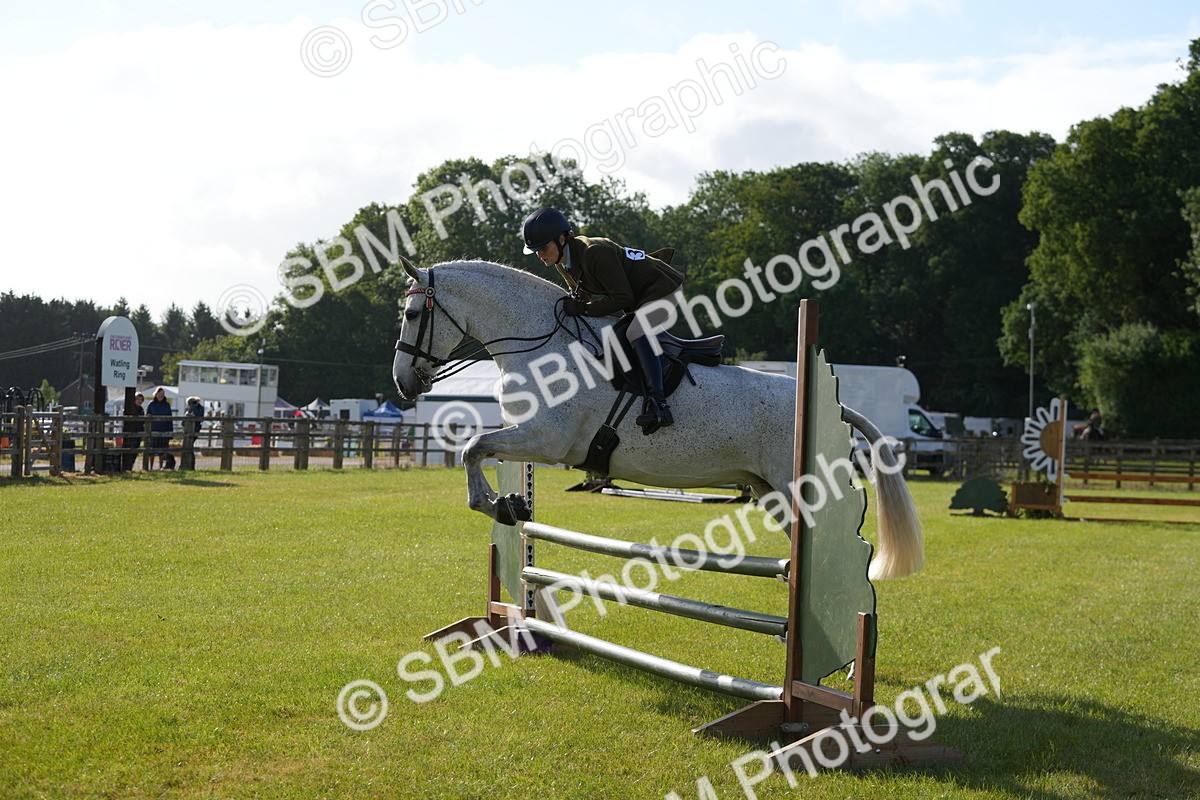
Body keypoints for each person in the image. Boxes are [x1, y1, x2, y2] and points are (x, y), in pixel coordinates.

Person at [521, 207, 683, 434]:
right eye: (536, 251)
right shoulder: (562, 261)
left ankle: (659, 404)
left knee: (635, 332)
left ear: (561, 239)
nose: (540, 255)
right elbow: (581, 294)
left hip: (662, 288)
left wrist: (584, 309)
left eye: (543, 248)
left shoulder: (595, 253)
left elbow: (622, 297)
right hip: (638, 295)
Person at [146, 387, 174, 469]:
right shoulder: (151, 404)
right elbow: (147, 417)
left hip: (164, 429)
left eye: (163, 394)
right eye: (160, 394)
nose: (161, 395)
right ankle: (150, 467)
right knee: (152, 450)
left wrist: (170, 432)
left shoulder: (167, 405)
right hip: (153, 429)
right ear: (156, 394)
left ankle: (161, 467)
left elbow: (170, 418)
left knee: (162, 450)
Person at [122, 392, 145, 471]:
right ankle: (126, 467)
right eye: (138, 399)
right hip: (131, 431)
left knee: (135, 451)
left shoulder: (141, 410)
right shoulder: (131, 408)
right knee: (128, 450)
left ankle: (131, 466)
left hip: (139, 432)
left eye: (141, 399)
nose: (139, 401)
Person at [180, 396, 204, 470]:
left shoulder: (198, 408)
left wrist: (192, 409)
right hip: (189, 429)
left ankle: (190, 465)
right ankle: (188, 464)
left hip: (194, 430)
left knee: (189, 446)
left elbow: (198, 417)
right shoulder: (191, 408)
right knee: (188, 446)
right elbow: (184, 421)